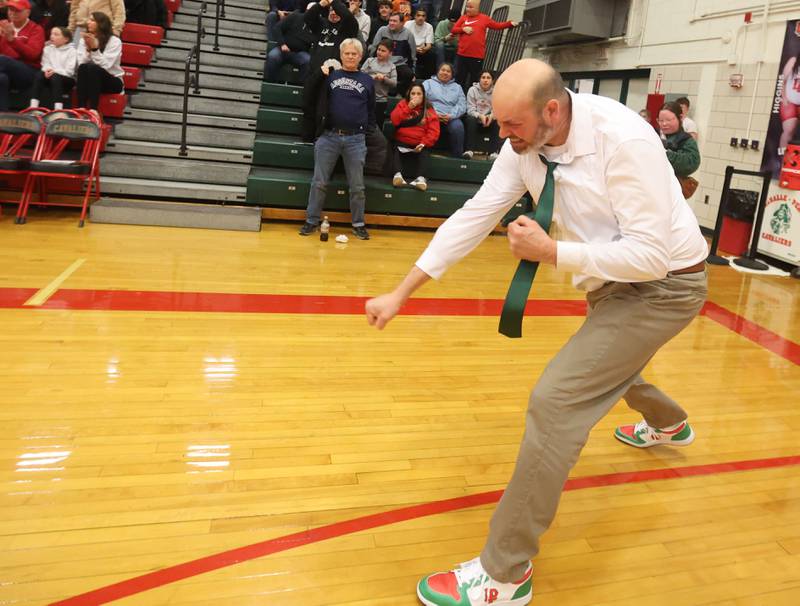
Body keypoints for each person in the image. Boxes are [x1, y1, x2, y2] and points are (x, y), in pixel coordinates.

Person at [365, 58, 708, 606]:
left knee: (557, 401)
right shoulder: (525, 143)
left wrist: (552, 252)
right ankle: (671, 424)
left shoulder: (624, 142)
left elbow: (651, 257)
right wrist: (402, 291)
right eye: (499, 124)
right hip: (607, 283)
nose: (502, 135)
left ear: (552, 110)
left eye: (511, 125)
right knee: (608, 366)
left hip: (664, 287)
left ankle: (505, 573)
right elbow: (477, 214)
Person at [299, 38, 375, 240]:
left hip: (356, 139)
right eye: (347, 53)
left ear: (360, 57)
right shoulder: (330, 75)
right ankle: (311, 221)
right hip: (329, 136)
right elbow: (308, 93)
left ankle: (358, 224)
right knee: (319, 182)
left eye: (354, 54)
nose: (350, 56)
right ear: (341, 56)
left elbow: (371, 109)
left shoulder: (367, 80)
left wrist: (366, 130)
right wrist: (319, 73)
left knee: (357, 187)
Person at [301, 0, 358, 142]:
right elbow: (308, 17)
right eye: (331, 10)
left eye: (336, 11)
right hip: (314, 75)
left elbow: (349, 18)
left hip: (332, 79)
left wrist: (334, 3)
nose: (333, 13)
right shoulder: (321, 25)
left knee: (324, 111)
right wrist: (322, 4)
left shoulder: (347, 28)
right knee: (308, 107)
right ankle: (306, 141)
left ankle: (320, 142)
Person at [451, 0, 514, 92]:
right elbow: (454, 29)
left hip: (477, 55)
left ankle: (472, 98)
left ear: (477, 8)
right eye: (467, 7)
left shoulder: (484, 18)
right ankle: (457, 97)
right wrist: (463, 29)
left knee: (474, 79)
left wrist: (509, 23)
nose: (468, 9)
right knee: (460, 78)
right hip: (462, 54)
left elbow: (497, 26)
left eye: (470, 7)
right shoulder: (463, 18)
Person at [390, 82, 439, 191]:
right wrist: (408, 107)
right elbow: (394, 120)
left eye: (419, 93)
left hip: (420, 143)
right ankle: (397, 176)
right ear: (409, 94)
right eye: (413, 93)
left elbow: (434, 130)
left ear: (423, 95)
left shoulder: (429, 109)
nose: (416, 96)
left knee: (425, 151)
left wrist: (423, 143)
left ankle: (420, 179)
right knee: (395, 147)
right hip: (402, 141)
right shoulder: (403, 104)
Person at [0, 0, 44, 111]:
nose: (13, 13)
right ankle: (3, 116)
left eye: (17, 10)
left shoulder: (36, 29)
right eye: (11, 9)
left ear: (28, 13)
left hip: (28, 71)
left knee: (4, 60)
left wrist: (12, 40)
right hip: (5, 69)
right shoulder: (2, 26)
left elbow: (33, 55)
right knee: (1, 78)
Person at [75, 11, 123, 110]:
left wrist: (95, 49)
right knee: (83, 67)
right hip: (90, 79)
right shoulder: (83, 40)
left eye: (92, 20)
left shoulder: (114, 41)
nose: (88, 22)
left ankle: (93, 109)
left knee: (94, 68)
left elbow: (106, 66)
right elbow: (81, 63)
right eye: (88, 19)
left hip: (112, 81)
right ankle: (81, 108)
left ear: (101, 24)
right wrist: (88, 50)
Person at [423, 62, 465, 157]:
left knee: (458, 127)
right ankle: (423, 153)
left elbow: (462, 105)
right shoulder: (428, 83)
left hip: (450, 117)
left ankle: (457, 158)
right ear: (438, 71)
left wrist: (451, 116)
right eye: (443, 70)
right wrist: (434, 114)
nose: (445, 73)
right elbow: (422, 99)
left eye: (448, 71)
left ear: (452, 75)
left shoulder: (457, 87)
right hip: (431, 115)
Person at [369, 12, 414, 97]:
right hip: (382, 61)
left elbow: (412, 54)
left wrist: (413, 69)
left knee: (409, 74)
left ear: (402, 23)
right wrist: (371, 60)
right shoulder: (382, 30)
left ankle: (399, 92)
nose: (391, 23)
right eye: (390, 20)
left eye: (394, 21)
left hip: (399, 64)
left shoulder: (408, 34)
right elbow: (374, 46)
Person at [29, 24, 74, 109]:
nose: (52, 36)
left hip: (67, 79)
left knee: (55, 77)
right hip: (51, 75)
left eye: (56, 34)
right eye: (51, 34)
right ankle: (33, 107)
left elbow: (70, 71)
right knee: (39, 74)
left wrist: (54, 71)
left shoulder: (72, 51)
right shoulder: (48, 48)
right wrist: (47, 71)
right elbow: (45, 64)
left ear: (66, 39)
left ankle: (58, 109)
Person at [265, 8, 314, 83]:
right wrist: (282, 44)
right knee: (272, 56)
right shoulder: (295, 17)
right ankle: (270, 83)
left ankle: (300, 88)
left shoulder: (316, 27)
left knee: (308, 61)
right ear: (306, 11)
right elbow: (277, 28)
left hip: (300, 53)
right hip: (283, 49)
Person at [658, 101, 700, 179]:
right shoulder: (655, 134)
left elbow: (692, 162)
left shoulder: (686, 140)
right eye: (661, 120)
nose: (664, 124)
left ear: (680, 118)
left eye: (668, 120)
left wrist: (664, 153)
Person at [463, 69, 499, 160]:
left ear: (492, 80)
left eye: (488, 78)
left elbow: (498, 109)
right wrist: (480, 116)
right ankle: (469, 150)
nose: (485, 80)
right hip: (476, 118)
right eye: (483, 77)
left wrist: (491, 116)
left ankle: (493, 152)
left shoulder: (496, 91)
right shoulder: (472, 90)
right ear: (479, 79)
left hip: (489, 119)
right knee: (470, 119)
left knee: (498, 120)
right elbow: (470, 109)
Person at [360, 37, 396, 127]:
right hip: (366, 97)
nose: (379, 52)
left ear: (390, 53)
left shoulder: (392, 66)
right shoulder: (369, 61)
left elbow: (394, 83)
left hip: (381, 100)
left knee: (377, 125)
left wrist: (384, 78)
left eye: (383, 51)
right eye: (379, 49)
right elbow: (360, 75)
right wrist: (373, 77)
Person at [778, 52, 800, 157]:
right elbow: (783, 80)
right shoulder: (793, 61)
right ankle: (782, 157)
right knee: (788, 130)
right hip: (790, 101)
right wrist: (784, 97)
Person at [404, 7, 433, 80]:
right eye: (418, 15)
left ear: (425, 17)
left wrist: (425, 49)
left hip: (422, 50)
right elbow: (404, 41)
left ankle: (426, 79)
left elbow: (429, 45)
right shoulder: (408, 24)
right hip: (409, 48)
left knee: (432, 54)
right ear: (415, 16)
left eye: (423, 16)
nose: (421, 18)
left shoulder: (429, 26)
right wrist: (414, 49)